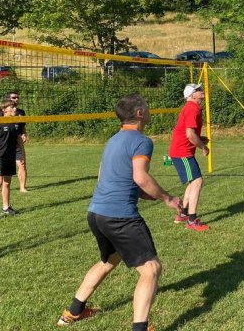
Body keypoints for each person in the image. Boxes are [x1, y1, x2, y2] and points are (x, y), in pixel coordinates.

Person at [56, 93, 181, 330]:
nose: (149, 109)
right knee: (151, 269)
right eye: (147, 106)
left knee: (109, 260)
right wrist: (168, 198)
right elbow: (140, 177)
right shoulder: (142, 141)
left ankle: (73, 312)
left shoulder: (113, 140)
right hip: (119, 216)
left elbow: (109, 177)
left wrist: (144, 194)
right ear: (139, 113)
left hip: (96, 213)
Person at [170, 83, 210, 231]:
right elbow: (189, 134)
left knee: (193, 182)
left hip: (181, 151)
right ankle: (192, 221)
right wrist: (203, 147)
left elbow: (189, 133)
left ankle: (183, 214)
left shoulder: (191, 107)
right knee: (198, 182)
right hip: (182, 152)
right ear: (192, 95)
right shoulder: (192, 108)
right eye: (198, 90)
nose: (201, 91)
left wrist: (200, 139)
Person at [0, 98, 24, 220]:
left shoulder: (16, 122)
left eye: (15, 106)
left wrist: (22, 154)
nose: (15, 109)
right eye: (11, 107)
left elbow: (19, 139)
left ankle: (6, 207)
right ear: (4, 110)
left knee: (7, 182)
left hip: (11, 156)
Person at [0, 91, 28, 194]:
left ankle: (22, 187)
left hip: (16, 141)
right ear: (8, 99)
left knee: (22, 164)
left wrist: (24, 134)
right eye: (14, 97)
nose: (16, 99)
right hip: (3, 143)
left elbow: (22, 126)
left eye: (17, 97)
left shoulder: (21, 112)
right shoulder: (1, 112)